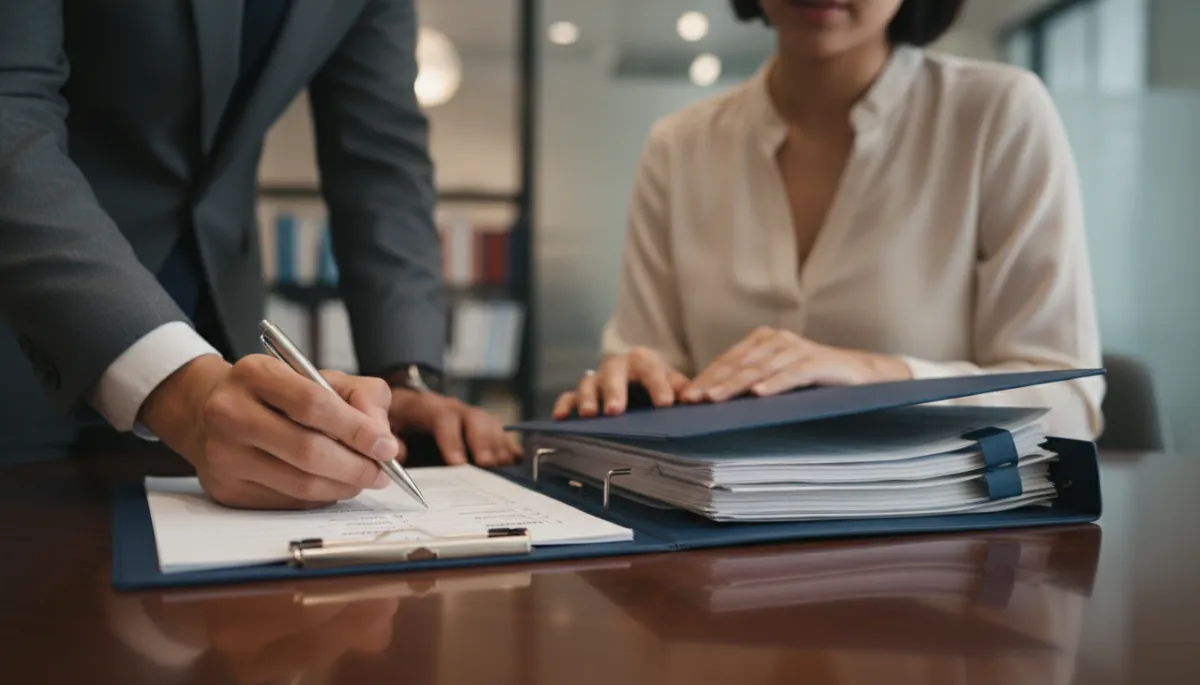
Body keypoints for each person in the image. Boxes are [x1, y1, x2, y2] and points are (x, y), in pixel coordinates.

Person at [0, 1, 519, 509]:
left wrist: (403, 379)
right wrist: (180, 390)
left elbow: (382, 164)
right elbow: (10, 112)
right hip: (26, 325)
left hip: (225, 356)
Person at [553, 0, 1106, 440]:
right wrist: (628, 383)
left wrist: (875, 374)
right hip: (712, 538)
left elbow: (1069, 405)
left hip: (938, 551)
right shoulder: (677, 145)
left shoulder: (998, 113)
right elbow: (645, 365)